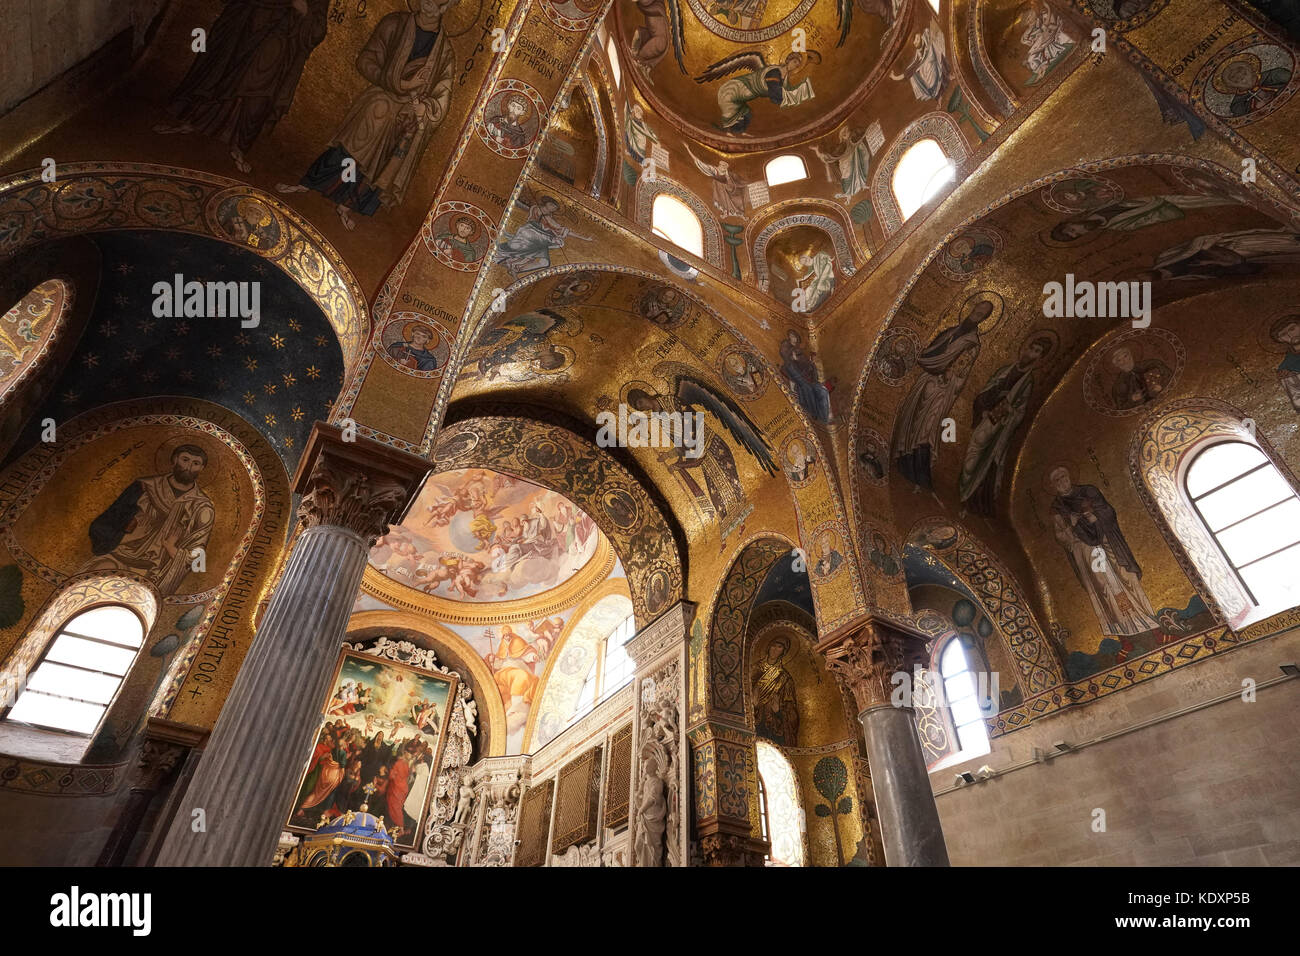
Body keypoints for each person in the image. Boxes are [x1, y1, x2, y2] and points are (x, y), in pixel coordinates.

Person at [277, 0, 459, 229]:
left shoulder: (445, 54)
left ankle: (347, 205)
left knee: (388, 158)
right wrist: (399, 83)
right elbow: (365, 60)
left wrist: (428, 108)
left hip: (408, 113)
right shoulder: (394, 23)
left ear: (448, 5)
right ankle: (312, 184)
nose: (430, 2)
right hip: (381, 100)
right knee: (359, 138)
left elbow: (443, 95)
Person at [153, 0, 329, 173]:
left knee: (258, 86)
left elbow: (317, 30)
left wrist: (305, 11)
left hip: (279, 34)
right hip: (243, 21)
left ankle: (240, 145)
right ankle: (193, 120)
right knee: (219, 71)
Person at [83, 444, 214, 596]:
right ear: (174, 460)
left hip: (153, 572)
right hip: (117, 555)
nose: (188, 467)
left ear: (202, 468)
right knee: (86, 588)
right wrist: (125, 532)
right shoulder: (144, 487)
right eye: (185, 459)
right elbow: (103, 523)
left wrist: (171, 548)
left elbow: (199, 558)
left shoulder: (202, 507)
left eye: (195, 463)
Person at [1048, 466, 1161, 642]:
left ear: (1070, 476)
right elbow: (1061, 536)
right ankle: (1125, 638)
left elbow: (1108, 511)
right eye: (1057, 480)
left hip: (1107, 540)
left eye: (1064, 476)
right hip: (1087, 550)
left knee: (1126, 577)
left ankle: (1153, 627)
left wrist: (1094, 516)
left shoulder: (1088, 491)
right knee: (1105, 587)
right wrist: (1071, 524)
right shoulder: (1057, 508)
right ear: (1053, 486)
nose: (1062, 482)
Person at [892, 299, 996, 489]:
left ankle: (921, 476)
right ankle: (904, 462)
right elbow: (932, 350)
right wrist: (927, 362)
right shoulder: (951, 331)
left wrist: (947, 376)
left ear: (984, 319)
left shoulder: (973, 343)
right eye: (976, 309)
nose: (976, 314)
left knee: (928, 428)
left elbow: (962, 371)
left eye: (981, 314)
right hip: (927, 381)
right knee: (912, 421)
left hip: (942, 390)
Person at [959, 333, 1054, 515]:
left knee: (989, 463)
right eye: (1031, 348)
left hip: (1001, 428)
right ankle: (963, 493)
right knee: (972, 458)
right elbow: (985, 392)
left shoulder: (1027, 383)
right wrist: (984, 408)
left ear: (1039, 358)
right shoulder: (1004, 370)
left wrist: (1010, 410)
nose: (1031, 353)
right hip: (987, 420)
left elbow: (1021, 412)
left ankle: (975, 503)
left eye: (1037, 352)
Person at [752, 638, 799, 746]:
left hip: (775, 725)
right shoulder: (754, 669)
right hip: (755, 722)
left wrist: (779, 710)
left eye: (779, 647)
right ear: (768, 647)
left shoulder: (785, 678)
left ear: (783, 651)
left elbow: (792, 711)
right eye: (773, 645)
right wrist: (753, 704)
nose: (775, 649)